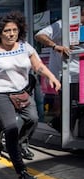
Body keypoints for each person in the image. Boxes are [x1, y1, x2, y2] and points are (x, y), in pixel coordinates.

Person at [0, 11, 61, 179]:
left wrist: (52, 77)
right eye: (7, 31)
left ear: (19, 30)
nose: (11, 34)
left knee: (29, 119)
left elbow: (38, 65)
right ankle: (22, 171)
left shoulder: (26, 47)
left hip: (21, 93)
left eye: (14, 30)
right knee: (10, 128)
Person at [35, 5, 84, 134]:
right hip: (69, 74)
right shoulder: (63, 24)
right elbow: (39, 35)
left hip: (82, 73)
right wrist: (55, 46)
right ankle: (64, 132)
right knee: (72, 108)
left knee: (80, 108)